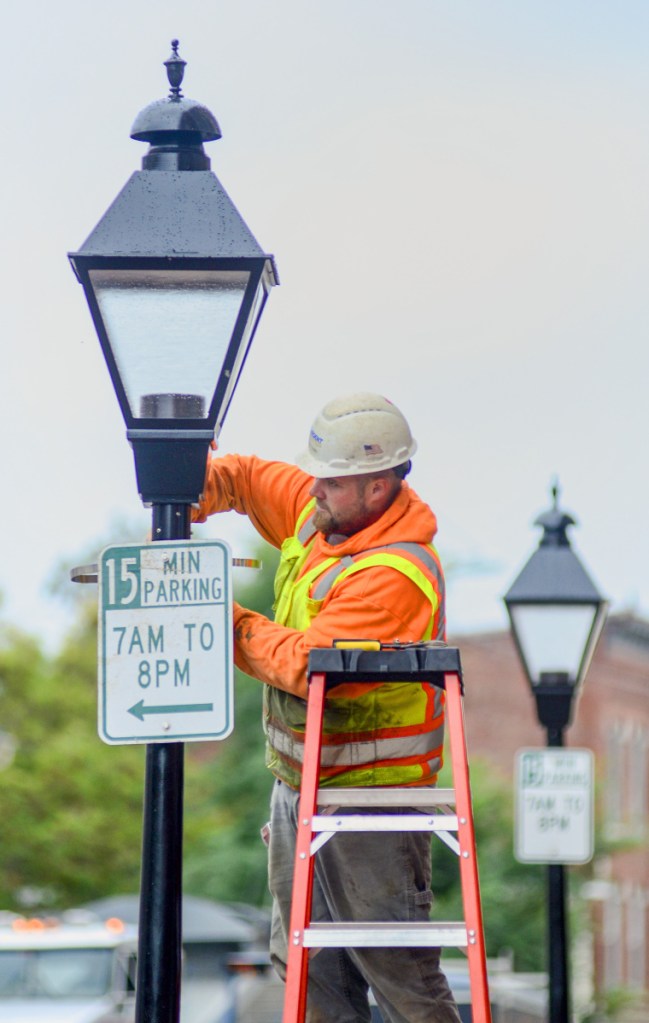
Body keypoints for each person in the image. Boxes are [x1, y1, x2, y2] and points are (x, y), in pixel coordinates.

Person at [192, 393, 461, 1023]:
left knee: (399, 978)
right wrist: (190, 483)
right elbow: (250, 478)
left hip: (373, 805)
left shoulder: (395, 573)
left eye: (332, 482)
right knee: (308, 976)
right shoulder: (325, 513)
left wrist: (216, 616)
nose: (315, 490)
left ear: (378, 488)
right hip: (302, 789)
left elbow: (304, 663)